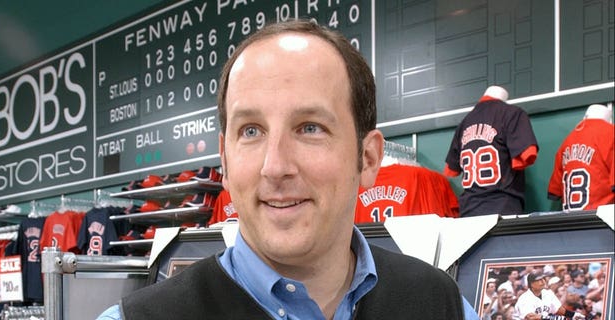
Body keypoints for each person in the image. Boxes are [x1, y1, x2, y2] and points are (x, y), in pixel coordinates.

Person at [97, 20, 465, 319]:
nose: (275, 167)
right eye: (251, 131)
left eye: (310, 128)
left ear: (367, 158)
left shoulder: (443, 305)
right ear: (225, 161)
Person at [444, 85, 539, 217]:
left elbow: (452, 169)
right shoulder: (513, 114)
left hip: (468, 213)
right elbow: (527, 154)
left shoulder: (463, 123)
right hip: (503, 210)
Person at [547, 104, 614, 211]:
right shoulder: (611, 133)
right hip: (601, 218)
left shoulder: (568, 140)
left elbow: (554, 192)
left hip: (570, 219)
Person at [513, 272, 585, 320]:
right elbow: (531, 317)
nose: (543, 281)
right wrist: (554, 318)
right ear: (531, 284)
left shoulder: (548, 293)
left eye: (543, 279)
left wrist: (573, 315)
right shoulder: (525, 298)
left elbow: (559, 310)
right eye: (538, 280)